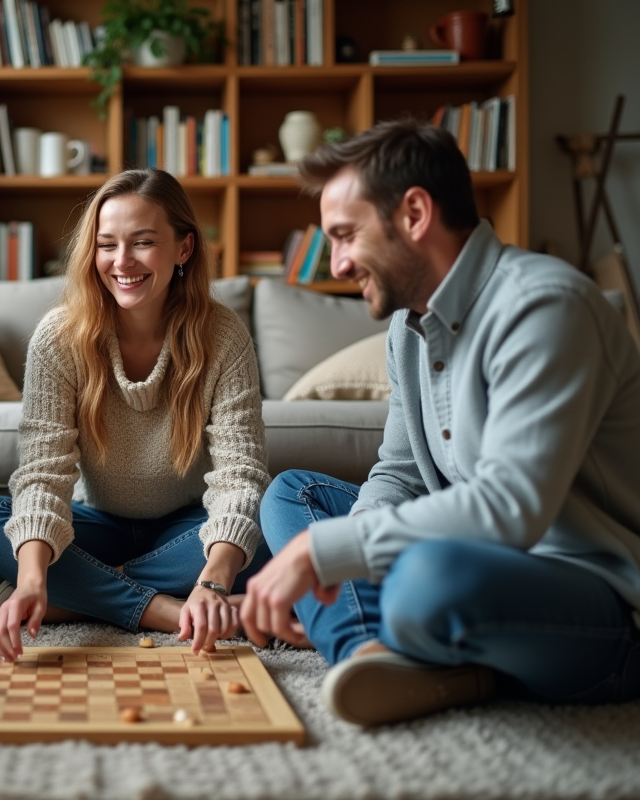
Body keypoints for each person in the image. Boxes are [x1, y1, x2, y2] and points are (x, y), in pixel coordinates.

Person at [241, 119, 640, 727]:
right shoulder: (408, 327)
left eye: (346, 235)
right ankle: (372, 656)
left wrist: (330, 552)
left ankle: (408, 634)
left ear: (415, 214)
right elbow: (399, 472)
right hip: (469, 554)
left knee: (426, 582)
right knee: (293, 493)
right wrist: (341, 548)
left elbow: (512, 507)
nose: (339, 264)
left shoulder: (544, 306)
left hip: (596, 596)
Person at [0, 169, 271, 662]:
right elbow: (43, 474)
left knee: (267, 527)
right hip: (90, 526)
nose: (122, 261)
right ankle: (165, 610)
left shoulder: (224, 337)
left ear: (184, 248)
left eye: (143, 242)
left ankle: (78, 594)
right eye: (107, 245)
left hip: (185, 531)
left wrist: (211, 580)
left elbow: (240, 477)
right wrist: (34, 578)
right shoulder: (59, 338)